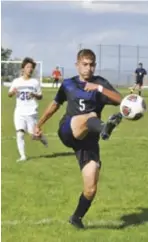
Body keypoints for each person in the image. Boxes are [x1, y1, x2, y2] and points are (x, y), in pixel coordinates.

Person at [34, 49, 123, 229]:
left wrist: (99, 88)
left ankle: (76, 218)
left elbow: (119, 99)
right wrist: (40, 123)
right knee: (89, 115)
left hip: (89, 141)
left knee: (91, 188)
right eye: (85, 64)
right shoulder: (68, 84)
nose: (88, 68)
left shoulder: (100, 83)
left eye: (91, 65)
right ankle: (105, 127)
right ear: (77, 65)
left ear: (95, 66)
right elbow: (55, 105)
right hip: (68, 130)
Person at [8, 57, 48, 162]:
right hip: (19, 112)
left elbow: (41, 96)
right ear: (23, 69)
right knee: (20, 133)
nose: (30, 69)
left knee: (34, 135)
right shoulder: (17, 81)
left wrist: (34, 94)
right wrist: (13, 92)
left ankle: (42, 138)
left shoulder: (35, 82)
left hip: (31, 112)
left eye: (31, 67)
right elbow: (9, 94)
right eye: (28, 67)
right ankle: (23, 156)